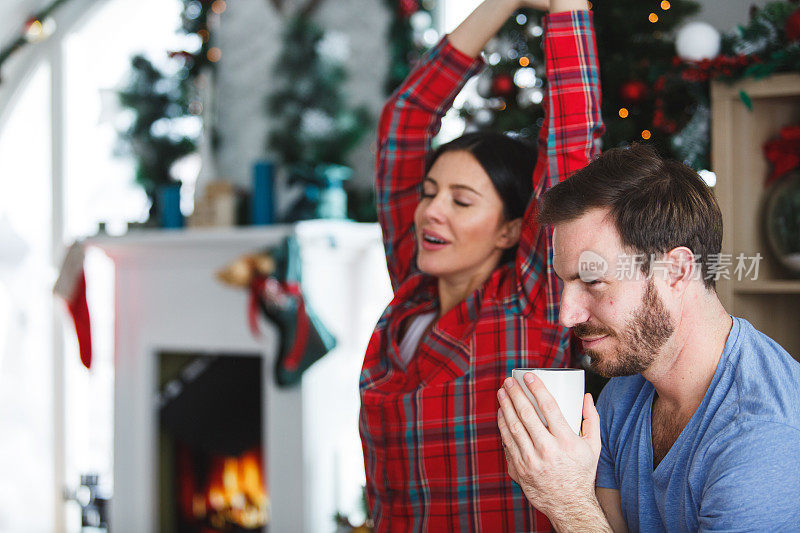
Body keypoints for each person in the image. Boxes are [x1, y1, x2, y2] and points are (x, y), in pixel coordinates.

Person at [359, 0, 603, 529]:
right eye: (428, 192)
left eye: (462, 201)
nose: (431, 210)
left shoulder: (532, 300)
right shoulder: (413, 290)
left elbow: (571, 142)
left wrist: (565, 7)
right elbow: (406, 118)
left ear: (512, 229)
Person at [496, 144, 800, 532]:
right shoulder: (626, 392)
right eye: (565, 282)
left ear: (675, 270)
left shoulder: (763, 439)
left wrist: (568, 501)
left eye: (592, 281)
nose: (567, 315)